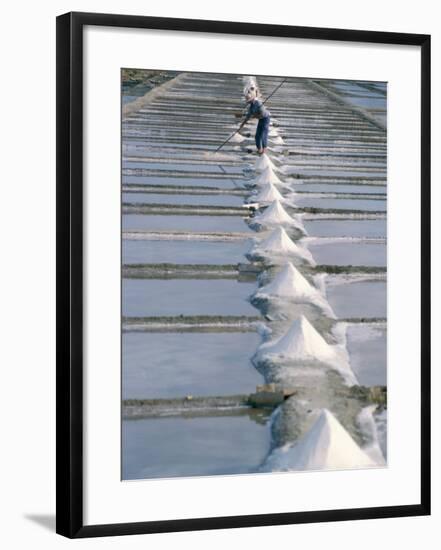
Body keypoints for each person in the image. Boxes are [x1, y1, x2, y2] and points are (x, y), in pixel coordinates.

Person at [239, 84, 271, 155]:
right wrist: (242, 125)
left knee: (263, 134)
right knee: (257, 136)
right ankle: (259, 150)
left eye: (249, 100)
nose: (248, 102)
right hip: (261, 119)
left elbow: (254, 115)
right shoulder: (251, 107)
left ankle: (264, 150)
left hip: (265, 119)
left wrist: (253, 116)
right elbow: (248, 116)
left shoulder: (257, 103)